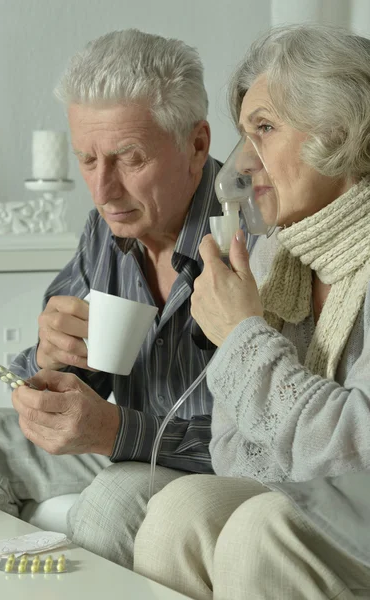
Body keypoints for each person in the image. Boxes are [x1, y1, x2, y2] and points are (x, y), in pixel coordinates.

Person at [0, 29, 233, 569]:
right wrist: (47, 362)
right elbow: (70, 378)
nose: (102, 190)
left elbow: (267, 446)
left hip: (208, 467)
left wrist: (115, 430)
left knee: (110, 505)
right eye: (87, 160)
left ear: (197, 144)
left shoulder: (251, 239)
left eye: (128, 158)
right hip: (125, 444)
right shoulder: (107, 230)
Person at [134, 24, 370, 599]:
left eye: (265, 129)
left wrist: (243, 337)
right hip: (322, 495)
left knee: (262, 529)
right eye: (245, 134)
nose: (240, 164)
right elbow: (231, 449)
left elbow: (356, 455)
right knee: (178, 511)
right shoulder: (272, 257)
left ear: (341, 130)